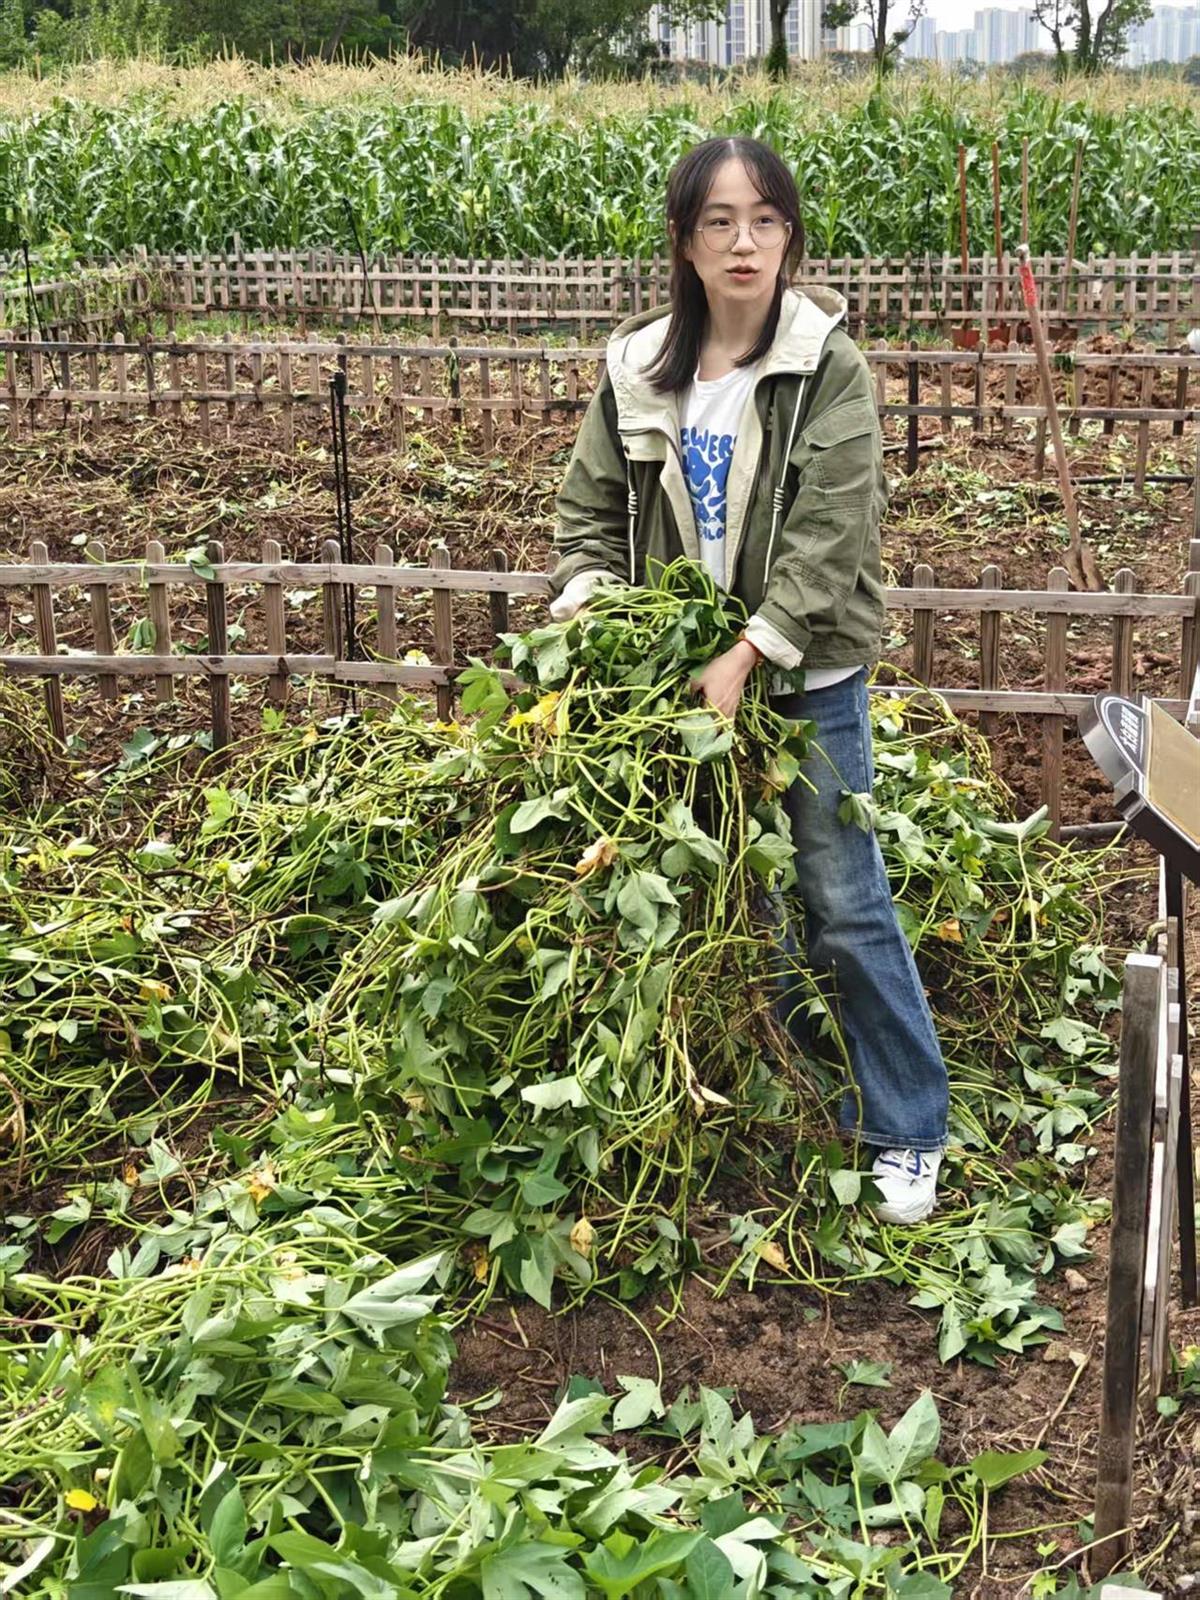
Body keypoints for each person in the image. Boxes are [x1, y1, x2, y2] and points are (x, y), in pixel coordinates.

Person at [545, 135, 949, 1225]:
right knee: (733, 894)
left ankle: (908, 1127)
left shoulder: (827, 366)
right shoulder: (638, 369)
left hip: (805, 674)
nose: (744, 242)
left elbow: (831, 536)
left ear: (790, 238)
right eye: (720, 220)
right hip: (683, 684)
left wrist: (750, 650)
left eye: (765, 220)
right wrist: (596, 608)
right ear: (685, 240)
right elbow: (588, 512)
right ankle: (788, 1101)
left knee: (842, 893)